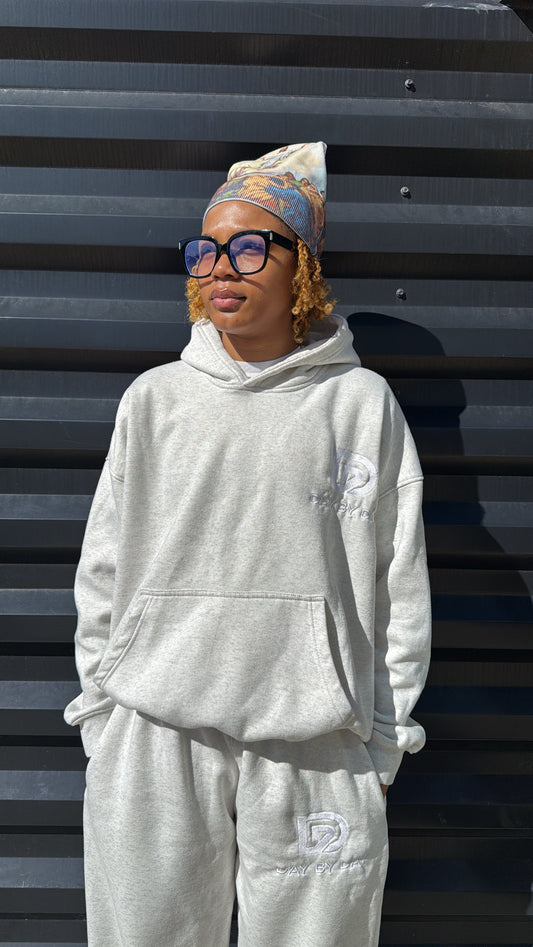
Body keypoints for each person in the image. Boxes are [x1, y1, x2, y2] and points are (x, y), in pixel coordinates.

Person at [64, 141, 431, 947]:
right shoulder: (155, 401)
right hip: (155, 730)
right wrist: (101, 714)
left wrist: (382, 738)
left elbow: (395, 580)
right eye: (205, 249)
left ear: (301, 267)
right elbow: (103, 568)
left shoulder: (359, 404)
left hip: (315, 739)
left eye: (249, 246)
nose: (221, 267)